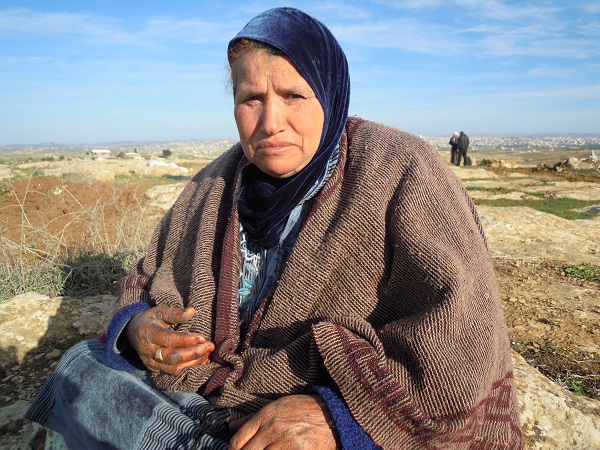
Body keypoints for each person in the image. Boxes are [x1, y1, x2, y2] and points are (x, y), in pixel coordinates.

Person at [25, 7, 522, 449]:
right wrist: (137, 325)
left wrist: (338, 416)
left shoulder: (401, 169)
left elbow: (462, 339)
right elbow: (147, 273)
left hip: (320, 416)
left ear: (328, 92)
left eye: (293, 95)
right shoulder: (214, 182)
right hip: (206, 398)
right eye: (251, 98)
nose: (270, 122)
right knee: (82, 364)